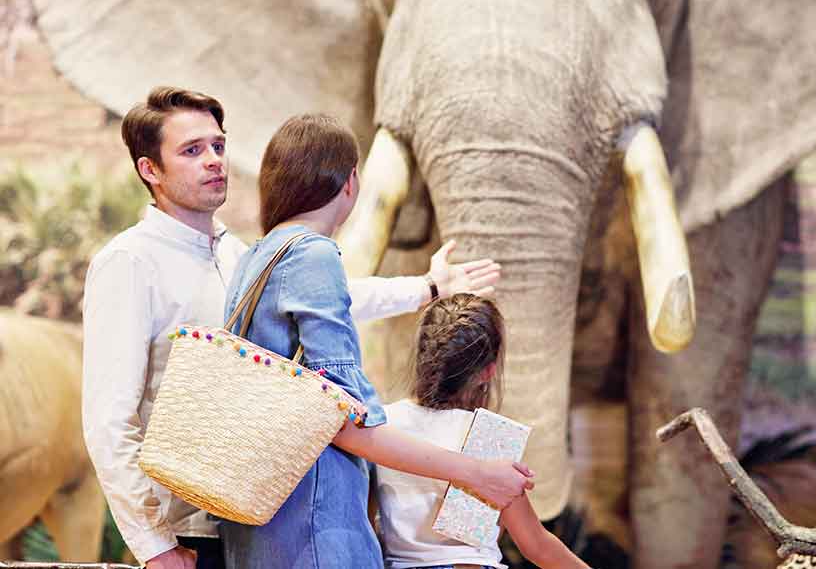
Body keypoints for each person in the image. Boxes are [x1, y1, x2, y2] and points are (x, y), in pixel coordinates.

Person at [82, 87, 502, 569]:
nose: (214, 161)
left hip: (254, 518)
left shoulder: (240, 255)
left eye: (218, 145)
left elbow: (331, 300)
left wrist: (425, 289)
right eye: (192, 150)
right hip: (187, 529)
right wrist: (155, 546)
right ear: (149, 169)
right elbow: (108, 421)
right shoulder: (129, 262)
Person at [219, 112, 532, 569]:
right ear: (350, 182)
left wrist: (427, 288)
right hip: (315, 527)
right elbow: (351, 422)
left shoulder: (254, 259)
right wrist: (477, 474)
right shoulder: (316, 254)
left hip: (259, 525)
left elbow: (348, 301)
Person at [375, 293, 591, 569]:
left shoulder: (382, 425)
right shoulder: (490, 436)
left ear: (422, 355)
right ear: (489, 371)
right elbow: (537, 546)